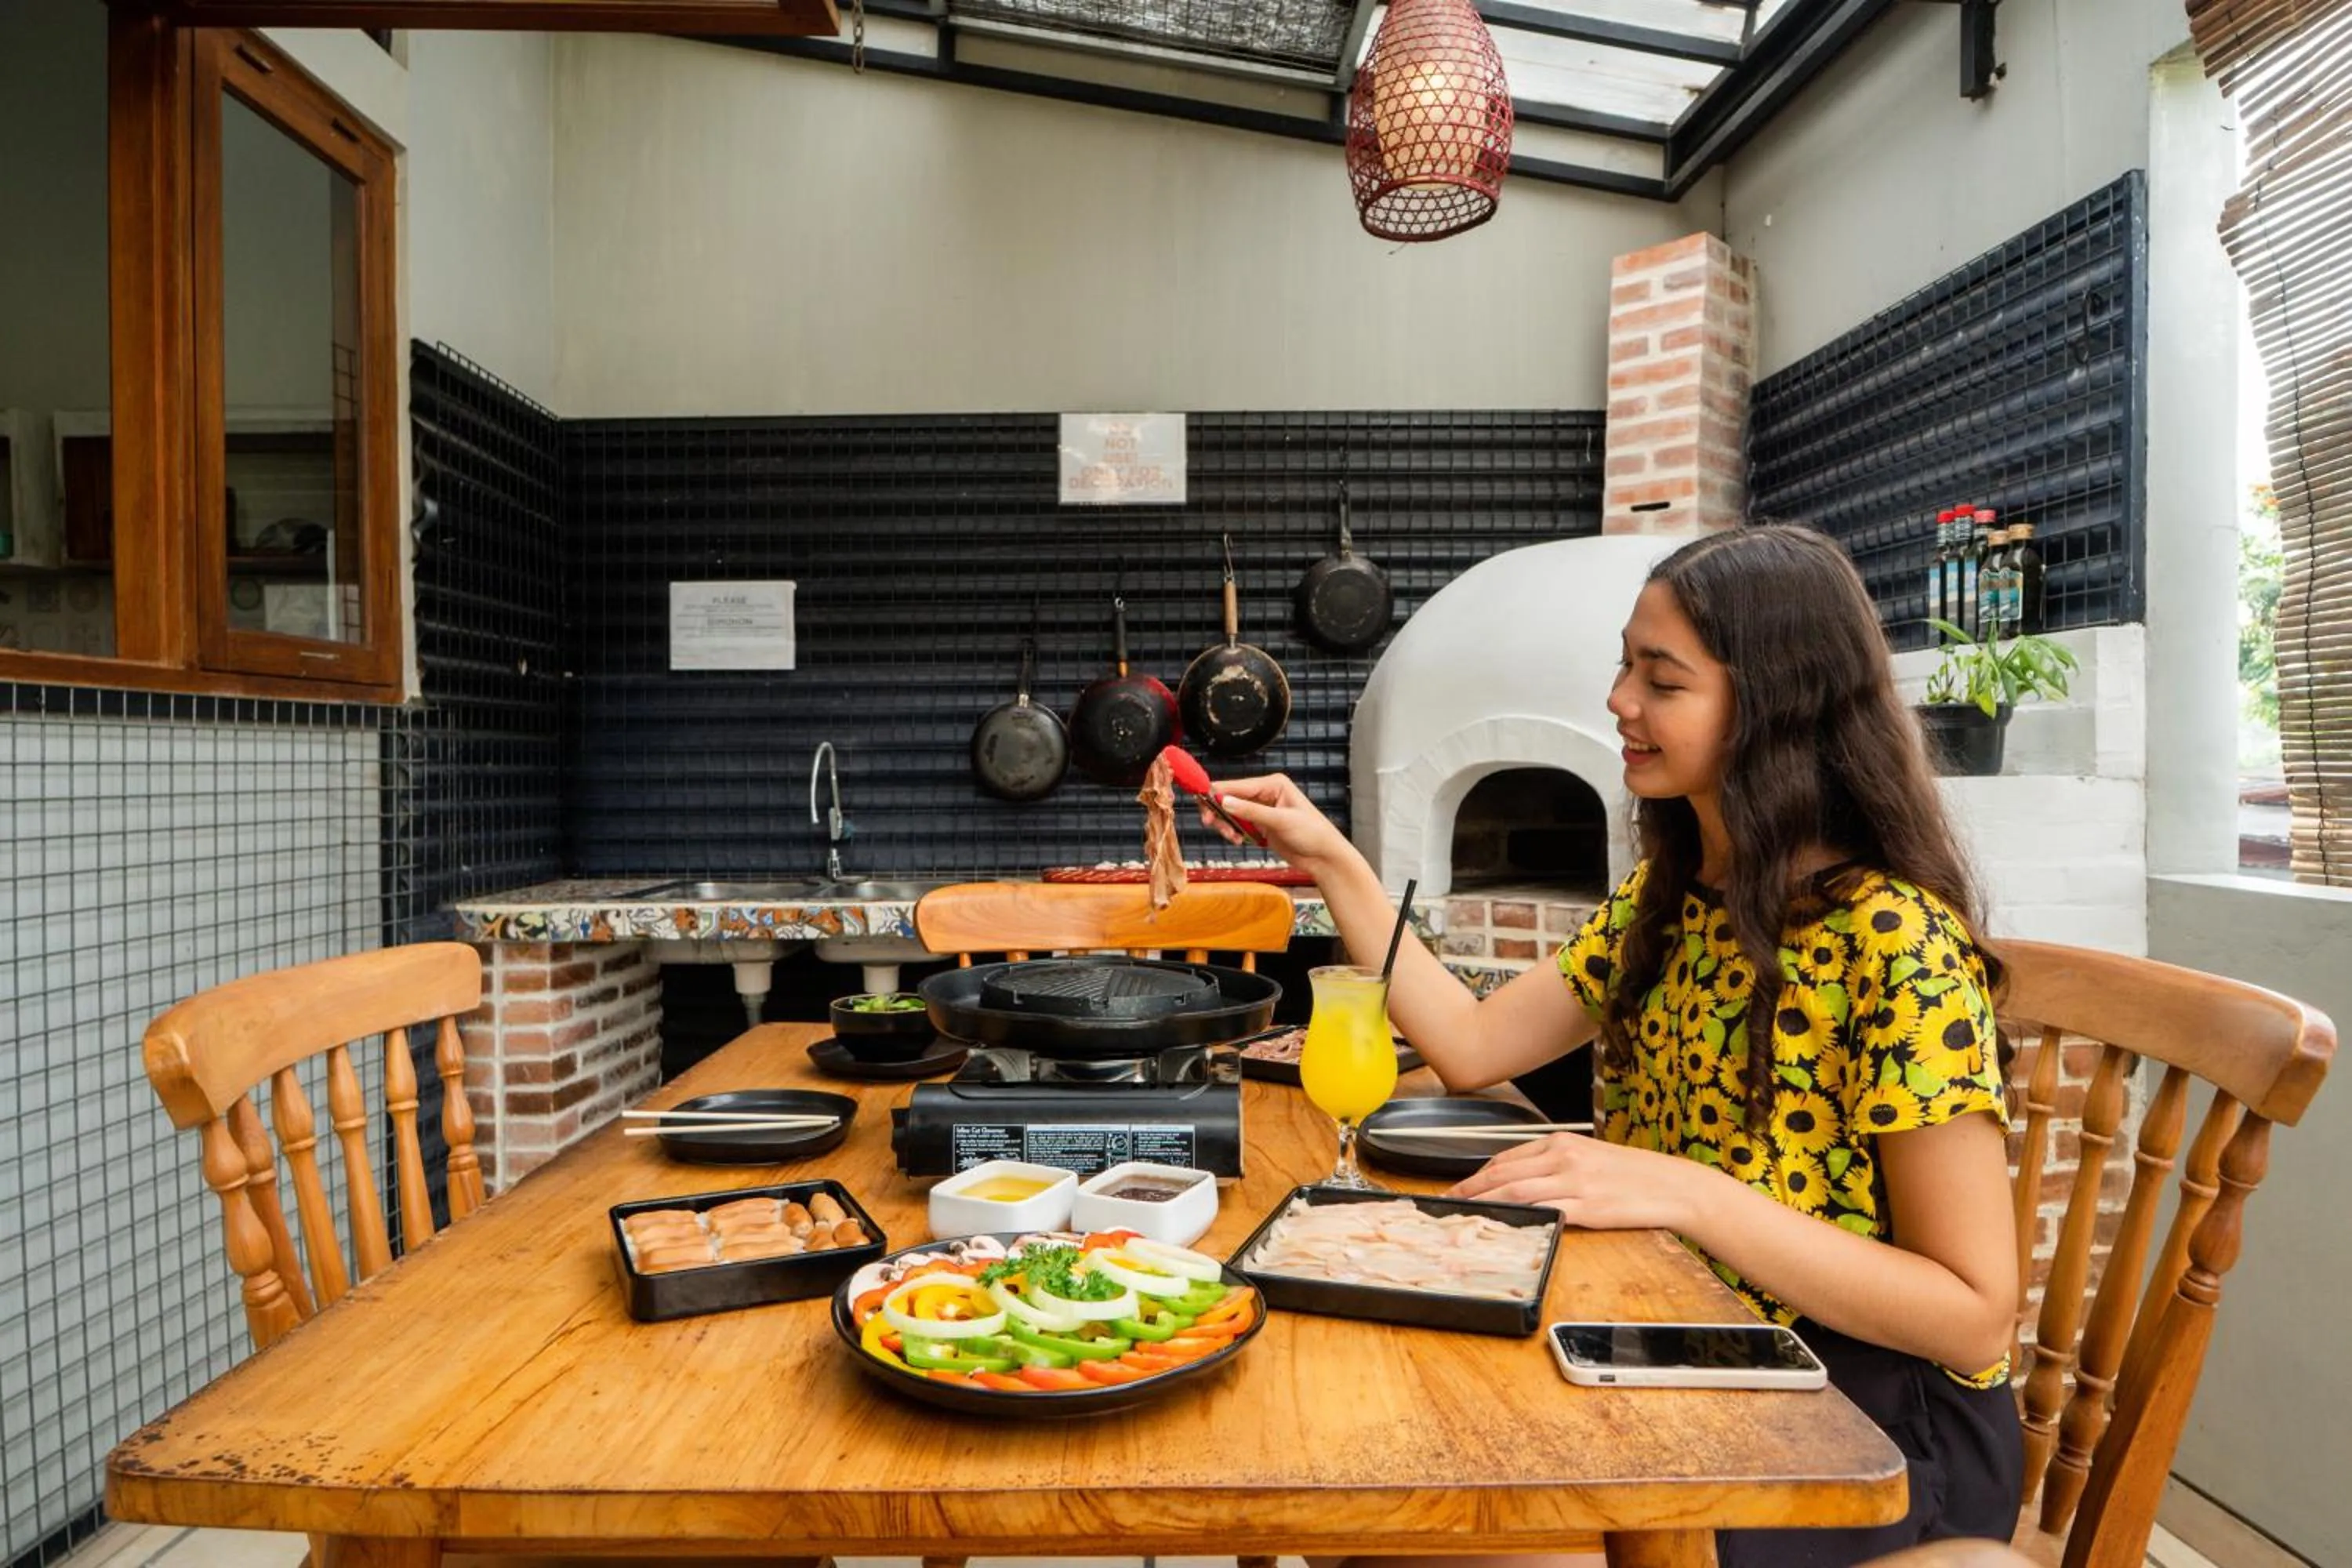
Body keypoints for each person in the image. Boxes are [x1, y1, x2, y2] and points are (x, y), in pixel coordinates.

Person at [1202, 524, 2024, 1566]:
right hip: (1676, 1358)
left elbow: (1972, 1318)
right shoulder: (1672, 898)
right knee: (1372, 1481)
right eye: (1625, 665)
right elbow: (1471, 1042)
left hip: (1862, 1428)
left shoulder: (1892, 939)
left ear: (1778, 707)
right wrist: (1330, 856)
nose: (1618, 701)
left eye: (1662, 680)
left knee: (1419, 1530)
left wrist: (1683, 1192)